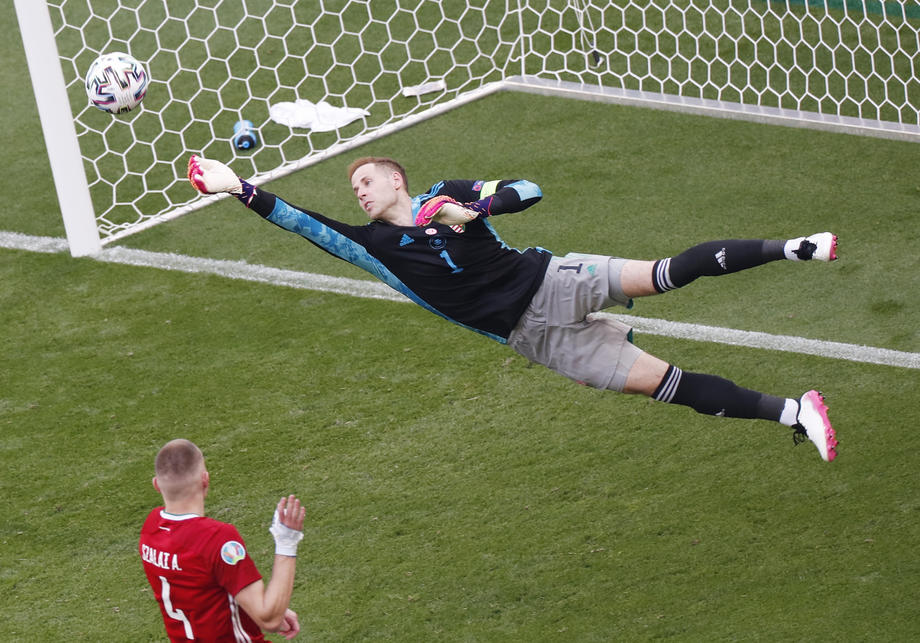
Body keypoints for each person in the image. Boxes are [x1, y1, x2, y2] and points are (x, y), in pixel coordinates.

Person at [187, 155, 838, 462]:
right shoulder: (373, 247)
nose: (358, 192)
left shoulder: (445, 194)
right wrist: (238, 188)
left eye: (365, 180)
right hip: (535, 338)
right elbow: (302, 222)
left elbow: (529, 188)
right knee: (666, 385)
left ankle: (793, 247)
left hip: (553, 279)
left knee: (663, 274)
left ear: (396, 179)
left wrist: (476, 210)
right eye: (353, 187)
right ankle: (796, 411)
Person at [139, 439, 307, 641]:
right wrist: (287, 541)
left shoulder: (152, 526)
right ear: (205, 480)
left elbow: (199, 587)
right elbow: (268, 619)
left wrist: (257, 605)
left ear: (156, 485)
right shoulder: (216, 538)